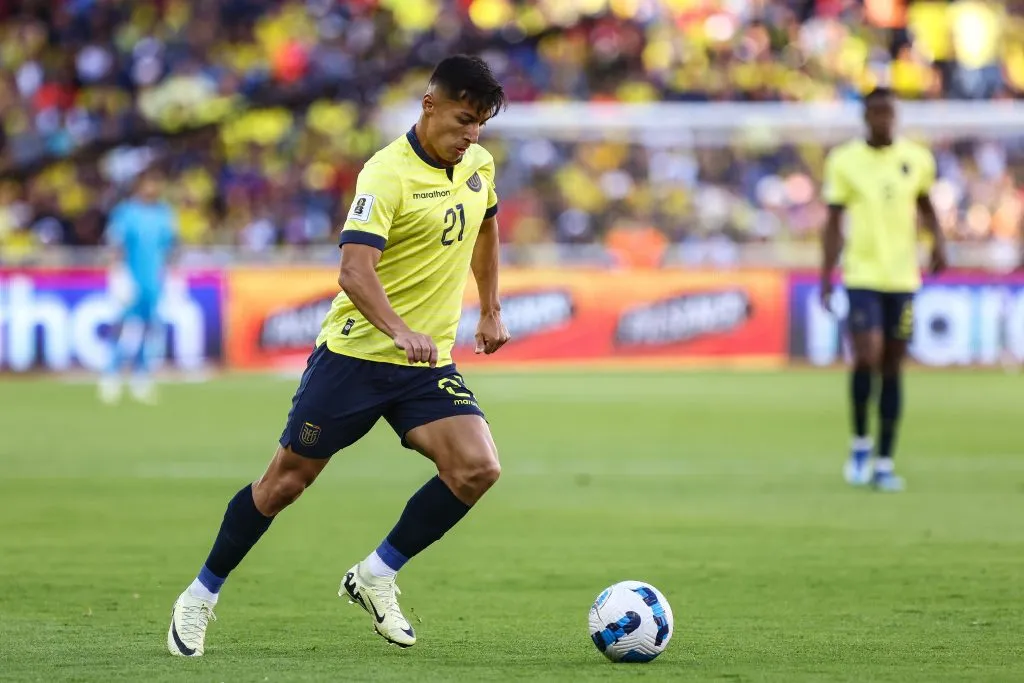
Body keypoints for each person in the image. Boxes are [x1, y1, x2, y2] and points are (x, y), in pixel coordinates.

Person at [167, 55, 511, 657]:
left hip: (424, 365)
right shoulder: (385, 175)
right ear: (429, 105)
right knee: (283, 485)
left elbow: (485, 227)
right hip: (354, 357)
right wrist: (401, 329)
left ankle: (376, 574)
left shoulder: (477, 164)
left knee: (477, 469)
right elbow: (354, 272)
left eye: (479, 124)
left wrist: (490, 308)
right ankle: (198, 597)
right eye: (462, 120)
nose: (471, 136)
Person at [820, 87, 947, 492]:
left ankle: (885, 461)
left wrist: (939, 244)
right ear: (865, 118)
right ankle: (860, 443)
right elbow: (833, 222)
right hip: (861, 275)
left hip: (903, 279)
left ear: (896, 116)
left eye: (888, 113)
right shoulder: (844, 161)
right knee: (866, 356)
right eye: (875, 113)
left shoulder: (917, 159)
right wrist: (826, 275)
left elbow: (927, 207)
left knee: (893, 365)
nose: (882, 120)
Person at [99, 168, 177, 405]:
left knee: (148, 327)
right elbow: (116, 245)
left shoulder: (164, 213)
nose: (153, 187)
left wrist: (170, 276)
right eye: (149, 182)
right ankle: (111, 374)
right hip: (131, 279)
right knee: (124, 327)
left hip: (153, 282)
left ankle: (140, 376)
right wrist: (117, 274)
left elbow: (169, 247)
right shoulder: (126, 212)